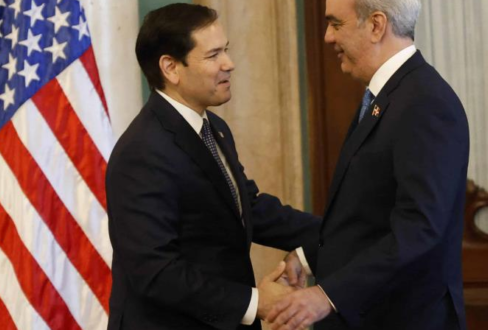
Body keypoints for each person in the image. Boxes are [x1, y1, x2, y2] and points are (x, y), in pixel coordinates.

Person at [105, 4, 320, 330]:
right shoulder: (142, 151)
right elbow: (156, 272)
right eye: (213, 55)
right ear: (171, 68)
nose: (229, 64)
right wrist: (256, 302)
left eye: (227, 50)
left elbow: (248, 208)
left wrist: (334, 230)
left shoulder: (214, 129)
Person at [268, 0, 469, 329]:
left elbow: (418, 230)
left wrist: (327, 295)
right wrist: (308, 256)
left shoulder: (424, 103)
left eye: (336, 24)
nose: (327, 38)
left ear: (376, 25)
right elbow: (368, 217)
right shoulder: (390, 95)